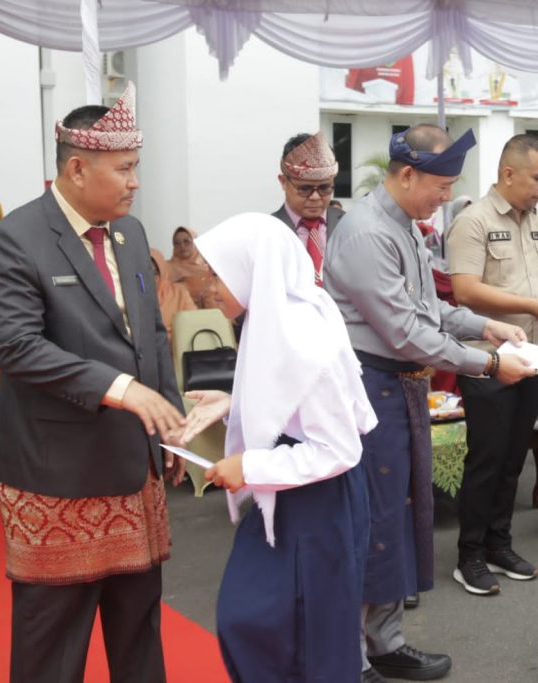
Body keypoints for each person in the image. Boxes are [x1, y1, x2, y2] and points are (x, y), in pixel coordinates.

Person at [0, 82, 187, 683]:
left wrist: (166, 425)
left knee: (138, 630)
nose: (134, 182)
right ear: (76, 168)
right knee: (53, 646)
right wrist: (121, 389)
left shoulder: (130, 234)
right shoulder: (14, 240)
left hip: (132, 470)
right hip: (58, 479)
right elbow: (18, 348)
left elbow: (149, 337)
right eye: (123, 169)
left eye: (135, 167)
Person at [324, 123, 533, 683]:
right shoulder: (367, 232)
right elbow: (404, 333)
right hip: (371, 388)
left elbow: (432, 310)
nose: (446, 198)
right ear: (407, 173)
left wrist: (489, 327)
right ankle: (352, 658)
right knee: (368, 521)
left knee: (397, 515)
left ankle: (385, 640)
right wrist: (488, 362)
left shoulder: (406, 227)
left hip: (403, 388)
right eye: (441, 187)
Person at [177, 213, 377, 682]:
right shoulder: (273, 318)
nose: (208, 287)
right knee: (261, 624)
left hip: (317, 500)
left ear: (252, 269)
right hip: (292, 489)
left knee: (307, 638)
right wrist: (234, 402)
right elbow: (290, 401)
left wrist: (248, 464)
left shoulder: (301, 335)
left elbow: (338, 448)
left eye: (216, 274)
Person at [445, 133, 538, 596]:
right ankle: (470, 554)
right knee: (487, 459)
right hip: (488, 361)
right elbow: (465, 291)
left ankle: (500, 543)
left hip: (534, 357)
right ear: (508, 174)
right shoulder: (473, 221)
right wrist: (532, 305)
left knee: (513, 458)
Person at [271, 131, 344, 287]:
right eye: (305, 189)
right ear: (283, 181)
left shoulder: (349, 225)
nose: (315, 197)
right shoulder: (268, 231)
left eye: (325, 188)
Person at [150, 248, 196, 346]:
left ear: (162, 271)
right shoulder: (134, 296)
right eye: (145, 273)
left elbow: (192, 323)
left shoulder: (179, 292)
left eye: (154, 273)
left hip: (178, 348)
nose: (150, 278)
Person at [168, 226, 214, 305]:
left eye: (186, 242)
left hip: (208, 313)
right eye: (177, 243)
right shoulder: (166, 268)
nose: (182, 246)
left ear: (195, 243)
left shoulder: (209, 267)